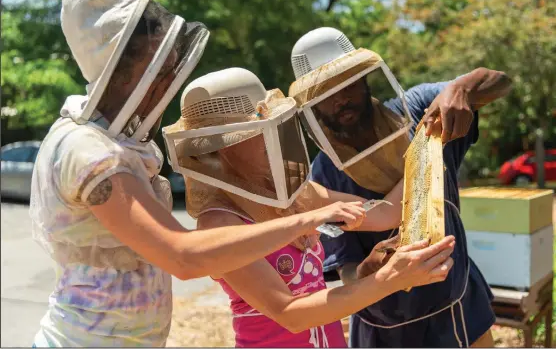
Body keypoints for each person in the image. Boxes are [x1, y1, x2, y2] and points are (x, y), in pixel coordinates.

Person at [29, 0, 365, 348]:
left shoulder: (113, 143)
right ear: (122, 70)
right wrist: (303, 220)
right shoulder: (88, 150)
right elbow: (184, 256)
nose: (170, 77)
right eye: (159, 65)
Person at [162, 67, 457, 348]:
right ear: (219, 147)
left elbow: (384, 213)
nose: (272, 136)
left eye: (273, 126)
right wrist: (390, 279)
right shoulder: (220, 224)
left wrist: (426, 147)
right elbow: (290, 313)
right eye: (254, 132)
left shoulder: (299, 193)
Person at [288, 27, 513, 348]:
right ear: (313, 108)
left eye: (346, 83)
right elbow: (346, 269)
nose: (340, 99)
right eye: (324, 95)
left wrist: (463, 88)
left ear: (365, 78)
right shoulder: (324, 171)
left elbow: (500, 81)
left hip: (455, 301)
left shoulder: (420, 107)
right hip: (383, 324)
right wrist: (370, 267)